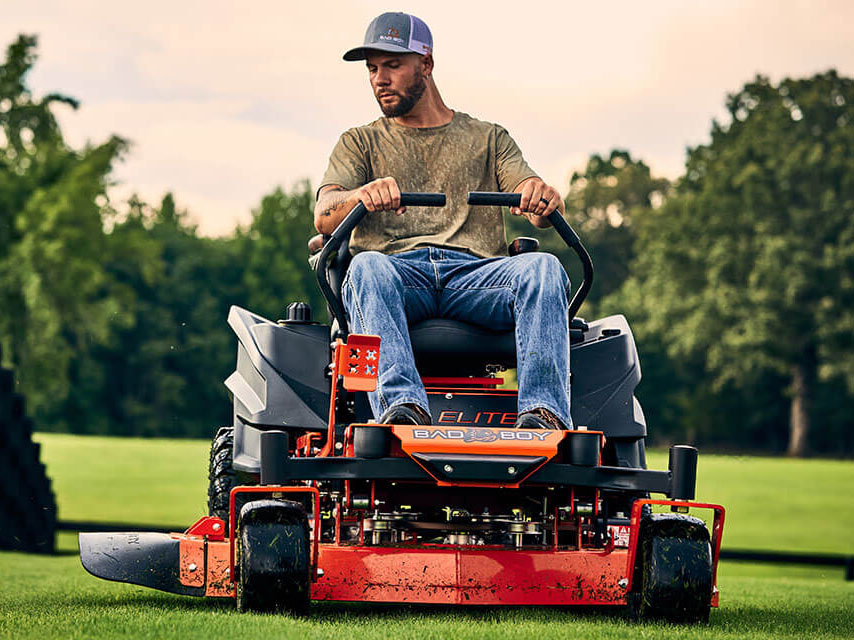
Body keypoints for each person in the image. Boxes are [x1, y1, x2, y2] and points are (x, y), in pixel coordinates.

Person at [314, 12, 571, 430]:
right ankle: (403, 408)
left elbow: (532, 196)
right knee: (365, 266)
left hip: (477, 277)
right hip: (397, 276)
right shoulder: (359, 142)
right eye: (373, 68)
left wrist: (541, 198)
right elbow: (324, 215)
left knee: (543, 268)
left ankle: (543, 415)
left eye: (393, 65)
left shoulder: (489, 138)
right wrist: (360, 196)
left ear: (426, 64)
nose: (380, 78)